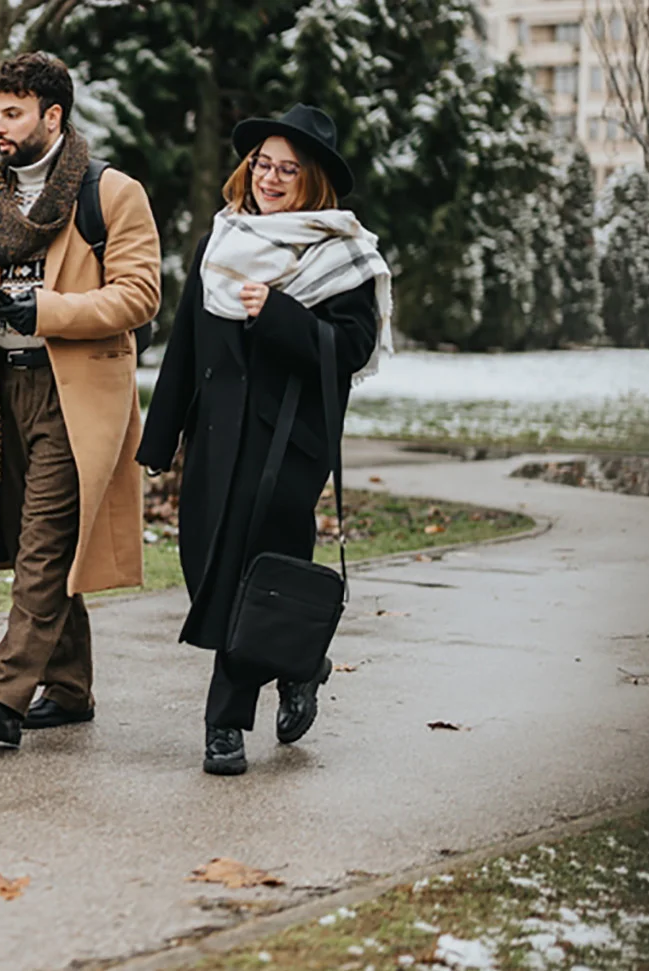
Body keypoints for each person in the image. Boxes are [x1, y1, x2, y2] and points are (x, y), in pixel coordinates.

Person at [134, 104, 393, 775]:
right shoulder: (220, 241)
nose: (270, 179)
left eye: (287, 170)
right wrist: (159, 440)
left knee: (245, 575)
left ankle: (224, 723)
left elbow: (351, 348)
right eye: (262, 165)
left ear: (313, 181)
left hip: (286, 446)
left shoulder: (339, 253)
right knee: (207, 566)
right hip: (214, 439)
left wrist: (280, 315)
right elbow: (188, 342)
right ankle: (300, 663)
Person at [0, 53, 161, 747]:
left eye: (13, 113)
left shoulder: (110, 192)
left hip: (74, 395)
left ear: (52, 115)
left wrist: (44, 310)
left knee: (43, 545)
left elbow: (140, 295)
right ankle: (71, 687)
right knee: (40, 541)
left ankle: (4, 695)